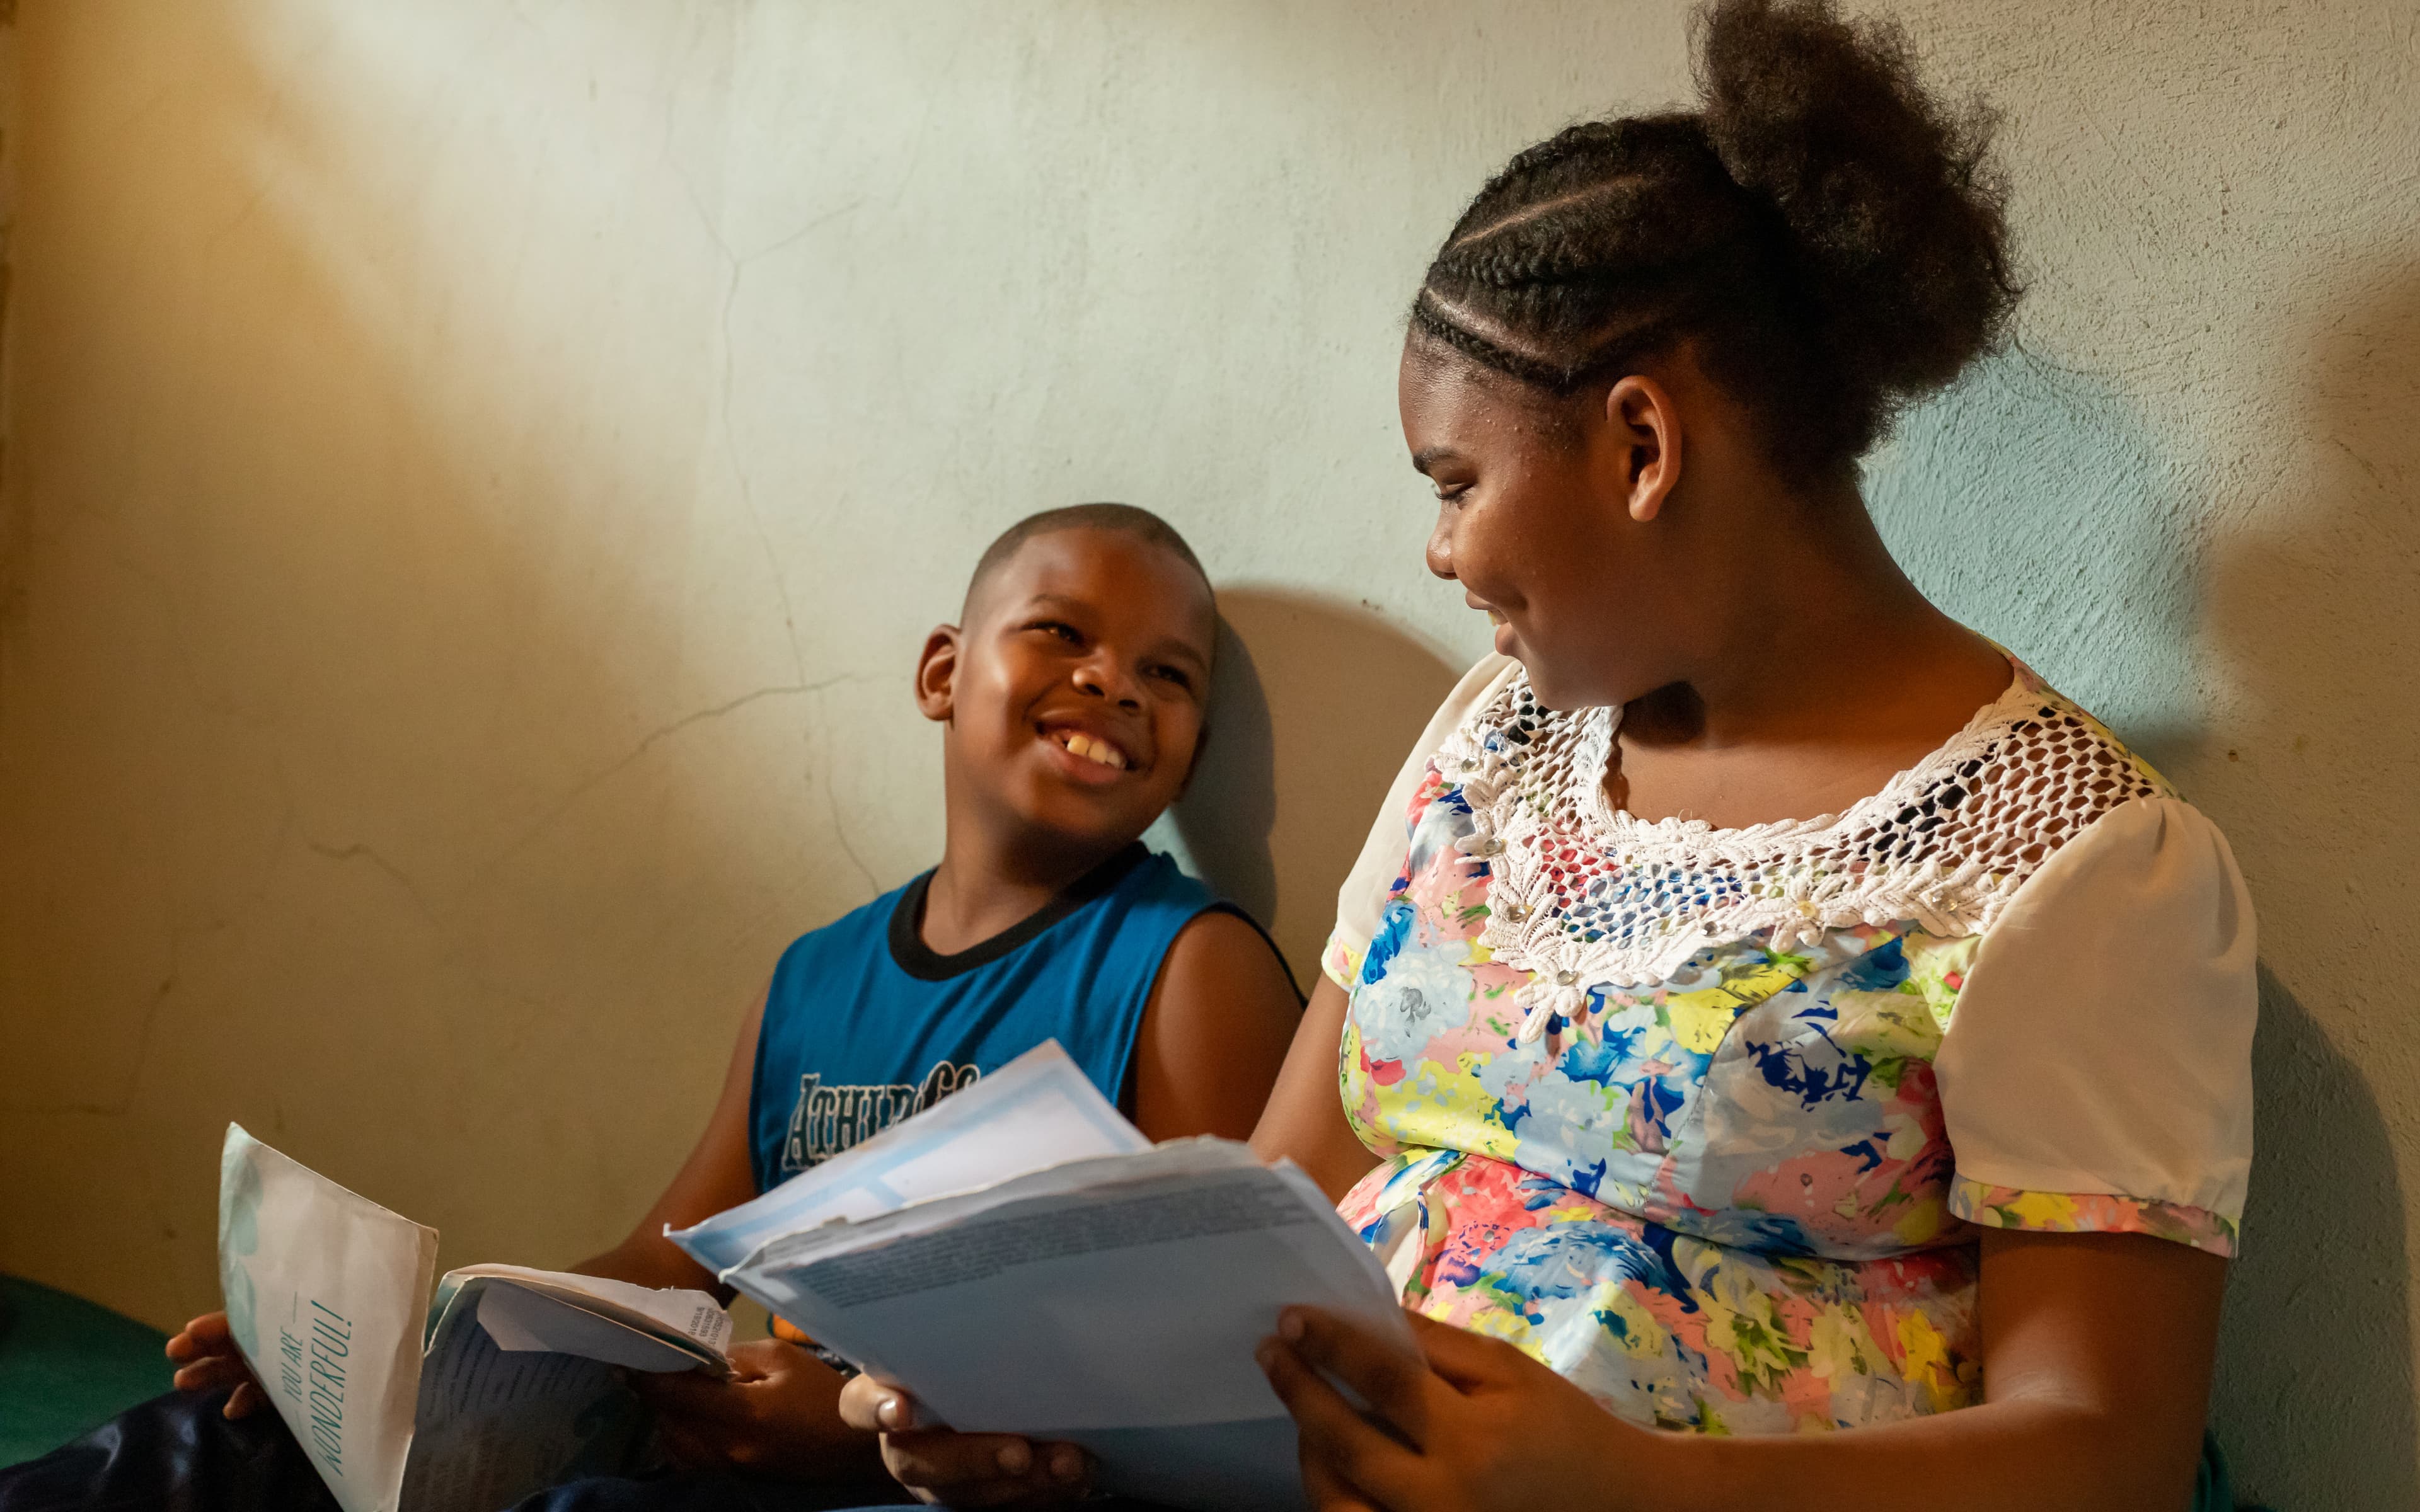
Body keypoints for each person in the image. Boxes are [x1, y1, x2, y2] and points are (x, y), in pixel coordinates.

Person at [842, 4, 2256, 1511]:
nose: (1438, 550)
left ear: (1642, 447)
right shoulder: (1496, 739)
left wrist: (1626, 1487)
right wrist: (1045, 1391)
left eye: (1455, 482)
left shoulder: (2077, 866)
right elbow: (1284, 1196)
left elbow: (2109, 1454)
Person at [0, 504, 1304, 1512]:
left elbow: (1208, 1379)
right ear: (942, 674)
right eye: (1064, 634)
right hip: (741, 1457)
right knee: (231, 1444)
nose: (1116, 683)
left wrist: (854, 1422)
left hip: (926, 1490)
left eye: (1169, 676)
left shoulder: (1187, 966)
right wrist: (409, 1356)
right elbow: (665, 1264)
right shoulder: (817, 975)